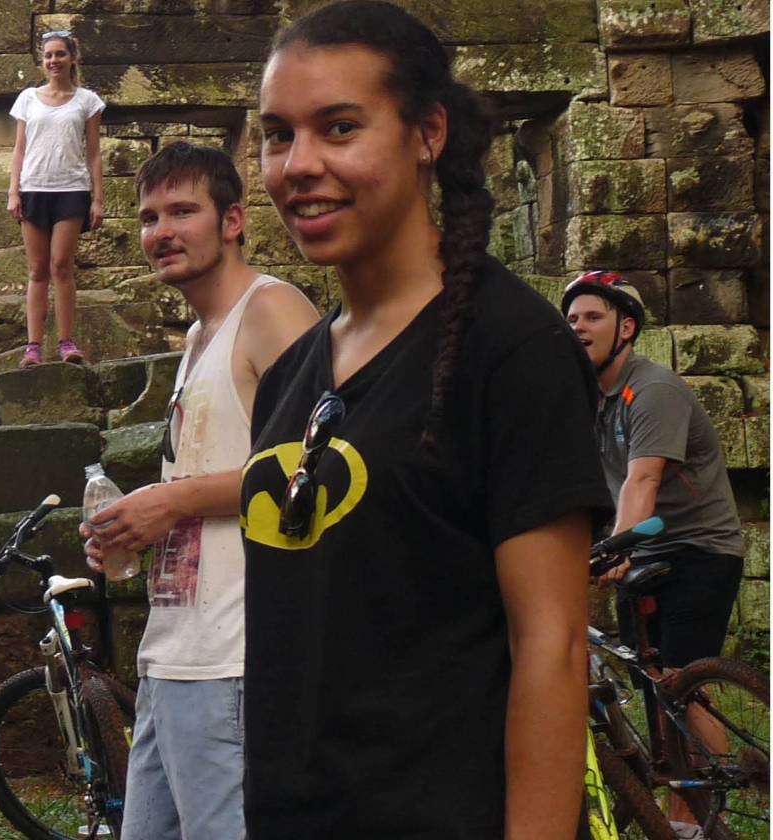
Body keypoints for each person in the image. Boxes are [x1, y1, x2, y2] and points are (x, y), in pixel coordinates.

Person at [238, 2, 609, 836]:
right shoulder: (294, 374)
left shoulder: (511, 351)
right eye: (277, 134)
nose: (298, 165)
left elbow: (552, 648)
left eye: (339, 128)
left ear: (427, 132)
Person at [80, 142, 317, 839]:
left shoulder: (272, 310)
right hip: (175, 649)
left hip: (237, 656)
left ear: (234, 219)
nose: (163, 232)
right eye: (150, 217)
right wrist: (137, 524)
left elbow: (326, 467)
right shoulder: (196, 337)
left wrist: (172, 501)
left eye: (184, 211)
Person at [565, 270, 744, 836]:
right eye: (571, 319)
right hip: (639, 545)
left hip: (696, 547)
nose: (578, 327)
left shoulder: (655, 390)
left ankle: (702, 814)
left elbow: (641, 482)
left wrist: (617, 548)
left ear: (627, 327)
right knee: (651, 686)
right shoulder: (589, 400)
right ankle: (676, 808)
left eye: (592, 317)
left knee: (681, 682)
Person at [8, 30, 105, 367]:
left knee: (61, 266)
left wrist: (98, 199)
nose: (54, 61)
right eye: (48, 55)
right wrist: (13, 192)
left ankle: (66, 342)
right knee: (37, 270)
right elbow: (19, 150)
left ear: (72, 58)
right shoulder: (27, 99)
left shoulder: (87, 101)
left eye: (60, 54)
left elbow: (93, 153)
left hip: (72, 190)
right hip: (34, 188)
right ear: (43, 60)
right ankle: (33, 346)